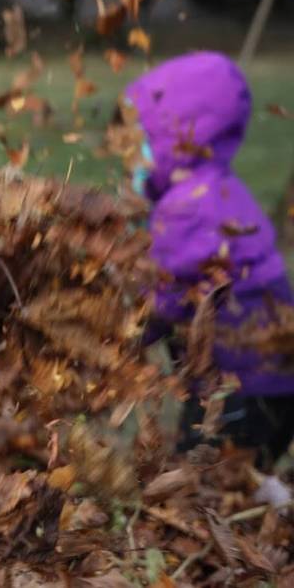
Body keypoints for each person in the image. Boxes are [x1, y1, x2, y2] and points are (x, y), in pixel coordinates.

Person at [126, 51, 294, 503]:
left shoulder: (189, 207)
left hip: (242, 383)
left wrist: (117, 338)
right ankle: (268, 503)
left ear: (181, 142)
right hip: (273, 374)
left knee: (199, 486)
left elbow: (164, 299)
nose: (135, 154)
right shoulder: (216, 190)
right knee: (238, 475)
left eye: (144, 140)